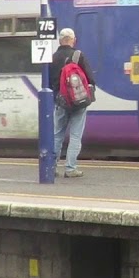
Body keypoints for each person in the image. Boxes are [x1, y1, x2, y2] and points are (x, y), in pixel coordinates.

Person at [48, 27, 96, 178]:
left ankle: (52, 166)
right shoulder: (78, 55)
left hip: (60, 101)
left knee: (57, 135)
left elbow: (49, 82)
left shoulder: (52, 57)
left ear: (60, 40)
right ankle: (70, 168)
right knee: (75, 135)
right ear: (73, 40)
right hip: (78, 101)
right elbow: (90, 79)